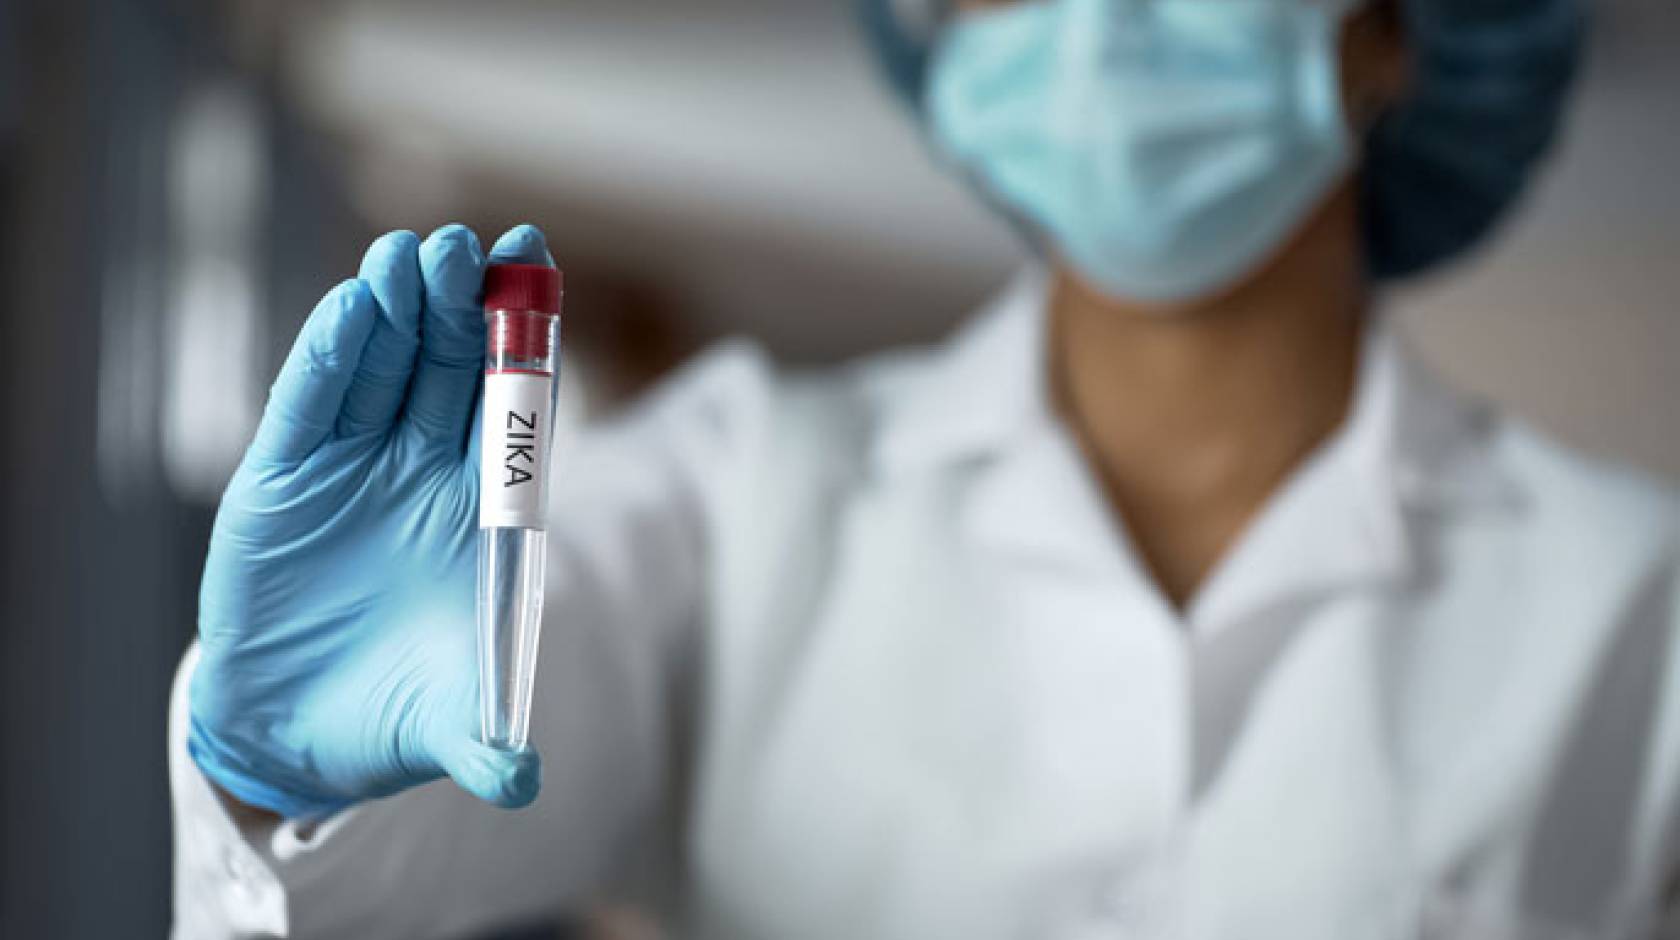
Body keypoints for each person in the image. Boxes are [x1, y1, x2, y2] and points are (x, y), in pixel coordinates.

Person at [170, 0, 1680, 937]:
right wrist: (279, 793)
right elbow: (408, 852)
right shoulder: (735, 489)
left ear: (1396, 32)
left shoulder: (1640, 609)